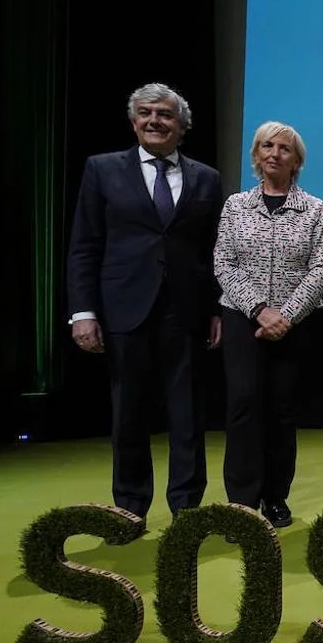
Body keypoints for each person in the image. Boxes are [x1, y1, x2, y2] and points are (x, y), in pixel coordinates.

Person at [67, 83, 223, 523]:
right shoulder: (101, 169)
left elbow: (213, 249)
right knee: (128, 414)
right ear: (134, 120)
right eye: (145, 113)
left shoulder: (206, 178)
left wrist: (215, 308)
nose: (154, 120)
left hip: (186, 311)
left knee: (188, 416)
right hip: (123, 308)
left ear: (181, 125)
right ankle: (130, 508)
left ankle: (187, 509)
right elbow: (84, 244)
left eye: (164, 114)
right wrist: (83, 312)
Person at [214, 122, 323, 528]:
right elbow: (224, 264)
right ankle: (242, 504)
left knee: (282, 411)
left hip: (295, 324)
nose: (274, 153)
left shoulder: (315, 208)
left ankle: (275, 498)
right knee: (244, 407)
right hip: (242, 319)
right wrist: (260, 310)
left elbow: (319, 269)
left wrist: (286, 315)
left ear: (296, 160)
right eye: (267, 146)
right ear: (256, 155)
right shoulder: (234, 206)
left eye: (284, 148)